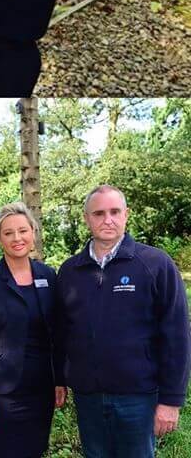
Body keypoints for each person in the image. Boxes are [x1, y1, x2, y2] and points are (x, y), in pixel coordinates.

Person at [57, 184, 190, 458]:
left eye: (115, 211)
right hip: (88, 397)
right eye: (99, 213)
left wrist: (171, 401)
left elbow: (177, 335)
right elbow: (61, 331)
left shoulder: (155, 264)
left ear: (126, 214)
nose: (108, 219)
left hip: (138, 397)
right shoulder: (71, 271)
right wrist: (60, 377)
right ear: (87, 218)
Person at [0, 202, 65, 458]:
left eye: (23, 230)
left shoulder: (48, 276)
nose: (17, 238)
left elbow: (55, 333)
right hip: (0, 395)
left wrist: (60, 380)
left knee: (34, 451)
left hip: (41, 390)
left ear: (33, 233)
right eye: (8, 233)